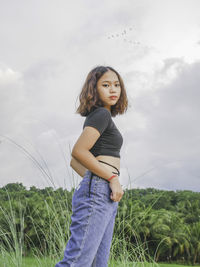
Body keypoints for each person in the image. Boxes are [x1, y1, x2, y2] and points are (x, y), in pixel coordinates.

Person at [55, 65, 128, 267]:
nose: (113, 90)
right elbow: (78, 152)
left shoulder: (103, 117)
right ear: (94, 90)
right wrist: (111, 178)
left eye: (116, 85)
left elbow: (75, 164)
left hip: (103, 192)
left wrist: (97, 180)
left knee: (98, 264)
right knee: (77, 262)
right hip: (101, 190)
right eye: (105, 85)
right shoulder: (101, 115)